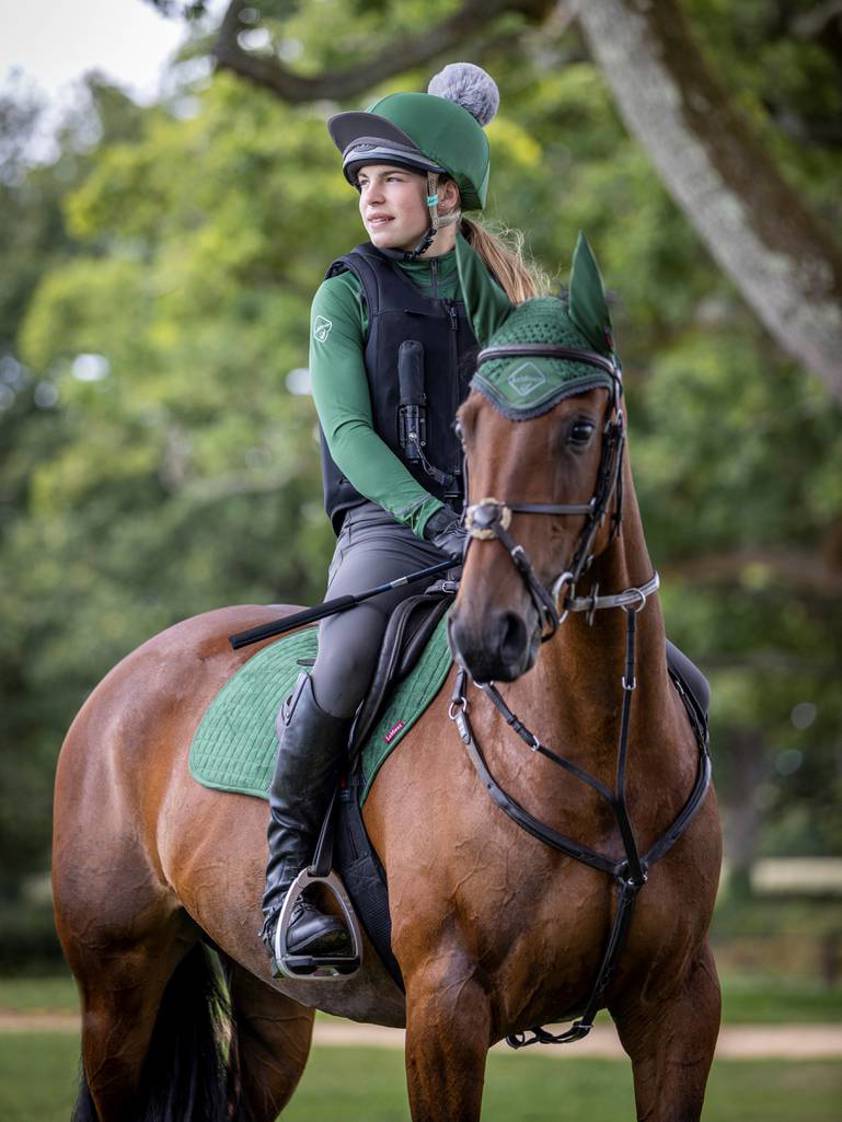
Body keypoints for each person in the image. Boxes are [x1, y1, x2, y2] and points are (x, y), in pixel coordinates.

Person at [260, 62, 546, 972]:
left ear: (444, 192)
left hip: (503, 530)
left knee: (650, 662)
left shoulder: (509, 300)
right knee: (343, 661)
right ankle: (288, 881)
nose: (370, 197)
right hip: (389, 530)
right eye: (363, 183)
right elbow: (346, 430)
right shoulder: (343, 292)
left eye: (390, 178)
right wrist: (431, 522)